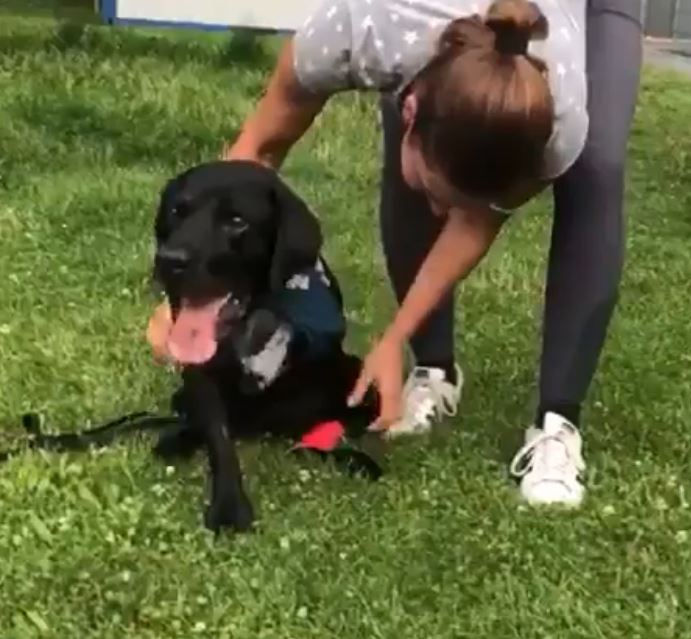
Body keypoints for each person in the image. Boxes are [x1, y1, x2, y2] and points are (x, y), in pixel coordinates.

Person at [147, 0, 642, 507]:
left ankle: (557, 424)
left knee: (594, 166)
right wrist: (192, 296)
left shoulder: (549, 107)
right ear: (411, 112)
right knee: (418, 159)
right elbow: (256, 153)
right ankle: (435, 369)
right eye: (436, 196)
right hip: (418, 49)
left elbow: (478, 218)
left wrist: (394, 335)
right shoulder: (359, 30)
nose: (439, 213)